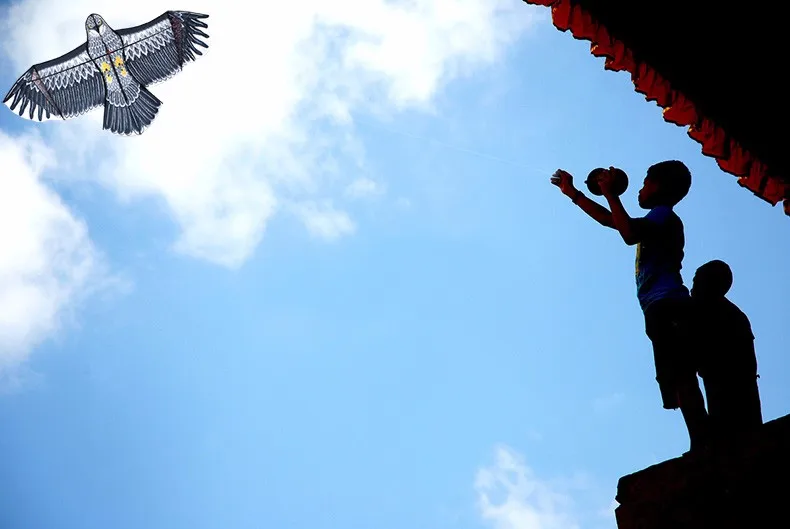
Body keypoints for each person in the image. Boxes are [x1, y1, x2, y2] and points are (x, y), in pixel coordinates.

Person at [551, 161, 709, 452]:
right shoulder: (654, 219)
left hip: (669, 305)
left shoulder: (663, 216)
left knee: (682, 374)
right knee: (676, 377)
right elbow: (610, 220)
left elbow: (628, 234)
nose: (640, 189)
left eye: (645, 183)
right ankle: (701, 439)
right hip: (659, 308)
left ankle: (704, 441)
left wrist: (611, 193)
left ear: (659, 187)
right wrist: (573, 193)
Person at [690, 260, 762, 443]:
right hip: (729, 399)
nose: (692, 288)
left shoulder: (723, 317)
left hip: (735, 402)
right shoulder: (728, 315)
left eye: (697, 282)